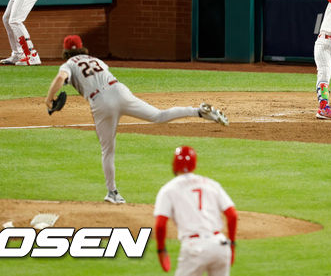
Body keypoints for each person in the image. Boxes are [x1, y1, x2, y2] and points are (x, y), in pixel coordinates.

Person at [45, 35, 229, 204]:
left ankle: (113, 192)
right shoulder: (96, 60)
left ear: (66, 51)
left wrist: (48, 98)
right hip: (120, 90)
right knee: (158, 115)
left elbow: (61, 78)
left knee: (107, 150)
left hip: (101, 102)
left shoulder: (68, 64)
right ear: (82, 47)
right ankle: (198, 111)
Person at [153, 145, 237, 275]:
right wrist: (232, 245)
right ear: (194, 164)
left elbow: (160, 224)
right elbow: (232, 215)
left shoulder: (168, 189)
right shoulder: (211, 184)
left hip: (195, 248)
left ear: (174, 165)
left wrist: (161, 250)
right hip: (220, 245)